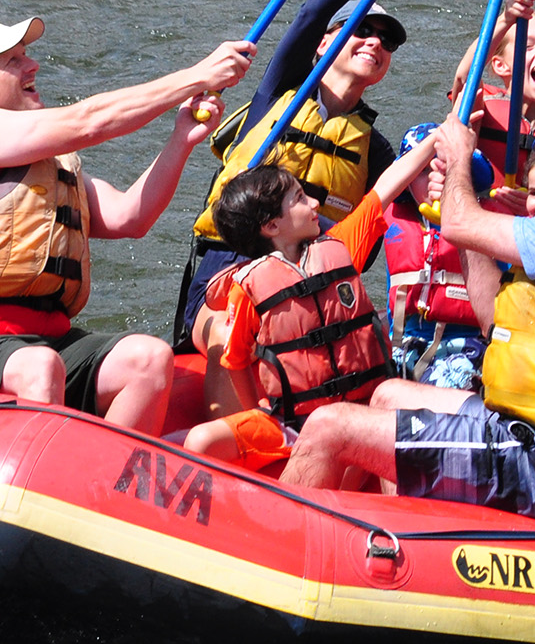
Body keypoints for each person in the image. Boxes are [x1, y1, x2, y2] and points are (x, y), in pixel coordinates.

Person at [281, 105, 535, 522]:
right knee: (390, 394)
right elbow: (491, 320)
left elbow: (460, 223)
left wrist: (459, 157)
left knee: (328, 426)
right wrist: (472, 194)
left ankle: (277, 559)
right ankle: (398, 544)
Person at [0, 17, 253, 435]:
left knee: (148, 359)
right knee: (39, 367)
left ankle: (104, 485)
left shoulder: (47, 166)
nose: (33, 65)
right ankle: (30, 487)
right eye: (14, 60)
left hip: (43, 341)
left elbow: (130, 217)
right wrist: (196, 76)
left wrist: (181, 140)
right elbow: (87, 121)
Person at [178, 0, 427, 342]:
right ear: (324, 43)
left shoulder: (375, 151)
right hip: (228, 270)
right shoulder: (279, 94)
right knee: (234, 333)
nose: (374, 43)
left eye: (387, 42)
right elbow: (312, 12)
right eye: (361, 30)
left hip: (308, 287)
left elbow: (417, 206)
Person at [180, 131, 441, 469]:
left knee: (356, 449)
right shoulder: (247, 288)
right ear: (272, 225)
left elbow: (387, 184)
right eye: (301, 198)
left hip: (359, 412)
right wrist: (256, 410)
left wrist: (438, 138)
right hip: (290, 423)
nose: (315, 204)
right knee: (200, 441)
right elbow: (238, 360)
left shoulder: (340, 245)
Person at [382, 122, 497, 392]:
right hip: (405, 346)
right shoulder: (390, 219)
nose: (435, 178)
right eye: (422, 172)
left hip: (465, 348)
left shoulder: (488, 220)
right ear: (406, 182)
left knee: (447, 383)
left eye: (443, 168)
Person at [450, 0, 535, 209]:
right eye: (528, 46)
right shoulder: (481, 109)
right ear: (500, 66)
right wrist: (505, 20)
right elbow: (465, 77)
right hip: (482, 222)